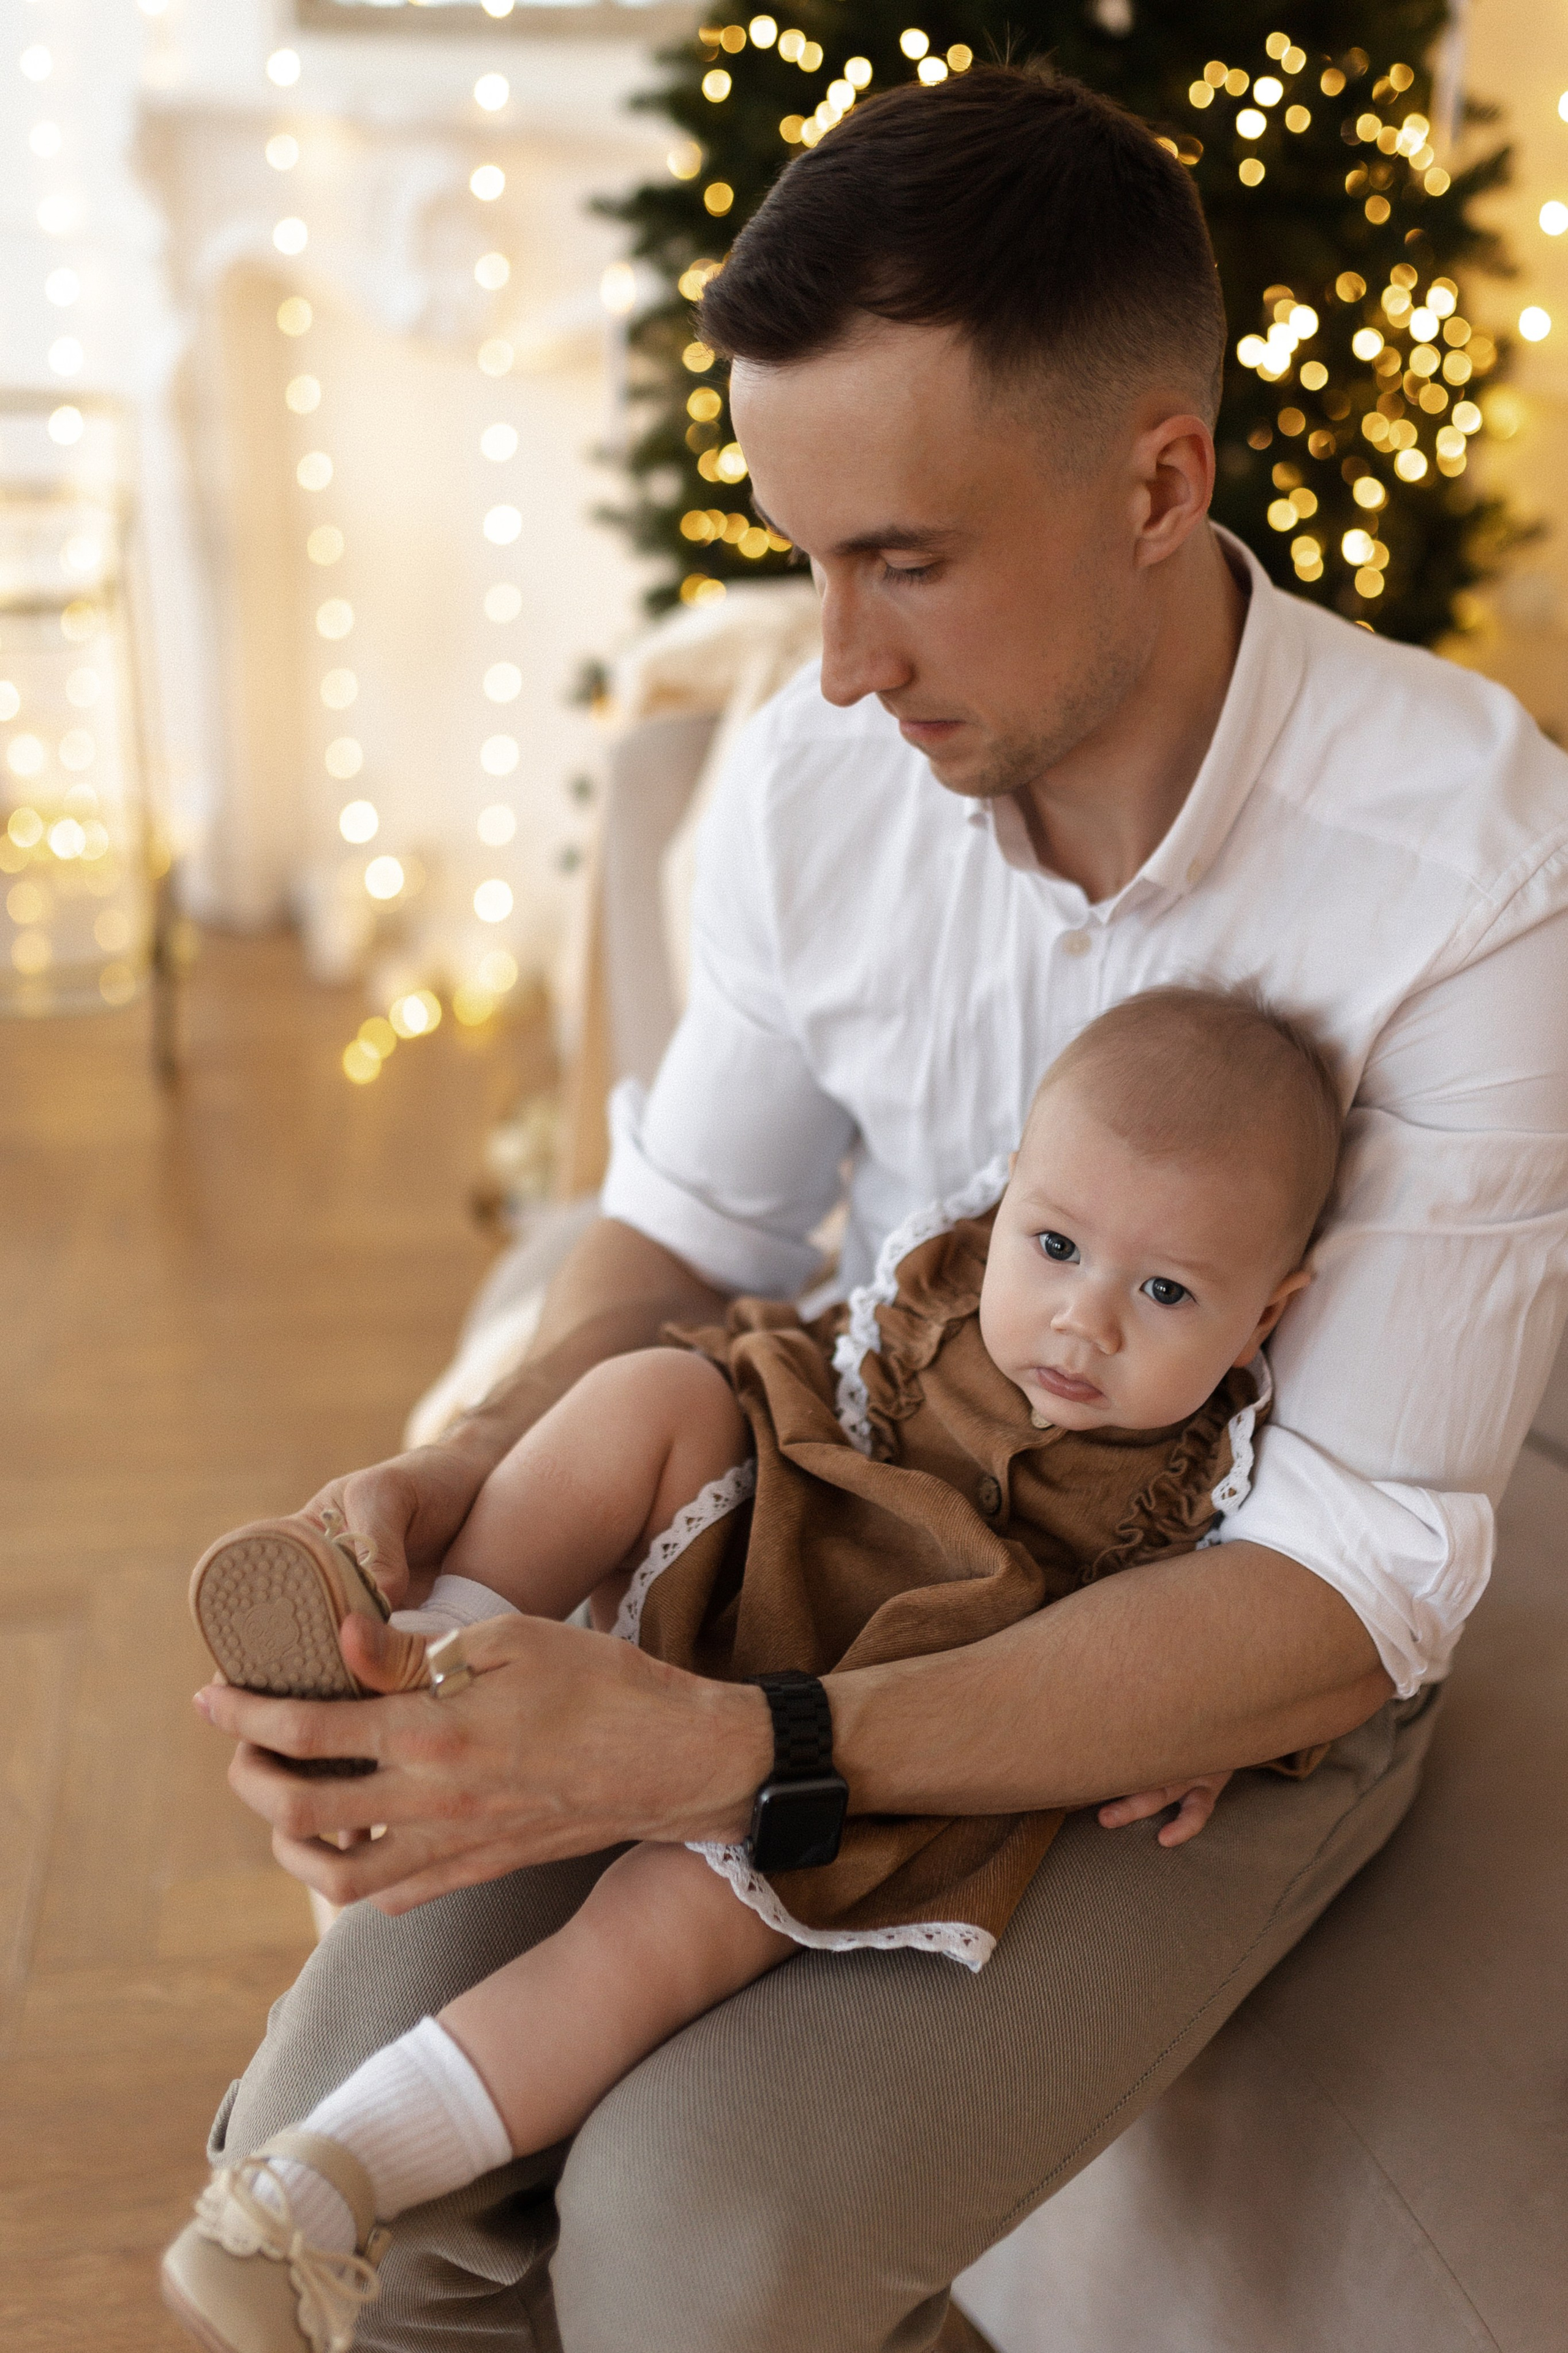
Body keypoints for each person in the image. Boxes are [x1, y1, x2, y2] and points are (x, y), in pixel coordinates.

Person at [194, 66, 1568, 2353]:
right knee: (319, 2144)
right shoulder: (819, 773)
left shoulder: (1478, 866)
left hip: (1201, 1648)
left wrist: (744, 1753)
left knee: (691, 2239)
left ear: (1161, 479)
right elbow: (688, 1234)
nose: (835, 662)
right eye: (806, 556)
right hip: (824, 1513)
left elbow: (1348, 1582)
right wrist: (472, 1475)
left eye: (906, 562)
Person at [165, 988, 1339, 2353]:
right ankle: (411, 1662)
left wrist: (1205, 1736)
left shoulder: (1202, 1480)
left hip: (896, 1715)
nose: (1083, 1322)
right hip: (792, 1528)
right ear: (1007, 1194)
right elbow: (787, 1339)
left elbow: (1250, 1644)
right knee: (651, 1397)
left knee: (663, 1925)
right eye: (1058, 1244)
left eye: (1165, 1290)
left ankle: (310, 2191)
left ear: (1268, 1310)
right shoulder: (945, 1283)